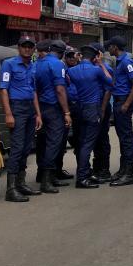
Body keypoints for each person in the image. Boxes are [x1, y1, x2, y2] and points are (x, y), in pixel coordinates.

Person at [0, 35, 43, 202]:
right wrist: (8, 114)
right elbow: (3, 90)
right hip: (16, 108)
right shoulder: (8, 64)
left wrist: (38, 114)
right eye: (24, 46)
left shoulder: (32, 66)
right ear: (19, 47)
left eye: (30, 46)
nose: (27, 49)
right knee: (17, 148)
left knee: (27, 148)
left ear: (33, 49)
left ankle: (21, 183)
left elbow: (33, 92)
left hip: (30, 109)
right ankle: (11, 189)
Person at [66, 44, 112, 189]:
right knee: (88, 144)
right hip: (93, 108)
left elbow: (67, 82)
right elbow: (110, 82)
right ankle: (83, 177)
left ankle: (85, 173)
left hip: (79, 107)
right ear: (94, 56)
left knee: (82, 142)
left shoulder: (71, 71)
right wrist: (101, 65)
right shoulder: (96, 70)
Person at [34, 39, 71, 193]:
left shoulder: (38, 63)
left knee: (42, 142)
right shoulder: (57, 64)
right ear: (62, 53)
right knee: (54, 143)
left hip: (40, 108)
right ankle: (47, 180)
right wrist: (67, 112)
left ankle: (45, 175)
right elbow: (60, 90)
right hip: (53, 108)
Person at [105, 36, 133, 187]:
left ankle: (128, 174)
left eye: (110, 46)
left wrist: (127, 103)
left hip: (122, 102)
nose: (108, 49)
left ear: (115, 47)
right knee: (122, 137)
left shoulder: (126, 62)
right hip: (119, 101)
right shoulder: (119, 61)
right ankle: (123, 169)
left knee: (126, 138)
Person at [90, 42, 114, 183]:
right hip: (92, 108)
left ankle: (104, 170)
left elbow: (108, 90)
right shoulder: (89, 68)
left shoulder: (106, 69)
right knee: (94, 140)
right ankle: (96, 168)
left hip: (102, 108)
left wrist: (103, 110)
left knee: (102, 139)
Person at [54, 46, 80, 181]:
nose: (71, 58)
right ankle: (57, 170)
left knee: (79, 140)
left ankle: (82, 168)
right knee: (61, 141)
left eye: (73, 55)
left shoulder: (81, 69)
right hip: (65, 109)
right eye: (68, 56)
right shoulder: (62, 70)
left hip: (79, 108)